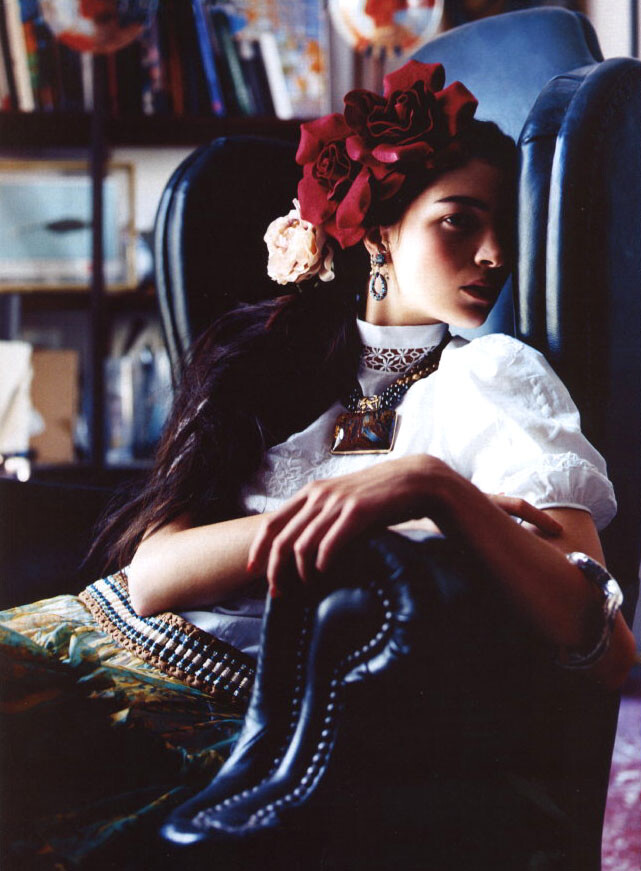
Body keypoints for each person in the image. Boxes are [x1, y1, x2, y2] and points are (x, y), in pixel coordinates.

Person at [0, 60, 636, 870]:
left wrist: (427, 485)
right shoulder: (276, 353)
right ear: (379, 231)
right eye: (457, 222)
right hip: (91, 635)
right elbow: (154, 573)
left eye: (505, 226)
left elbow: (603, 642)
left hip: (241, 725)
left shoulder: (491, 374)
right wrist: (353, 511)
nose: (493, 254)